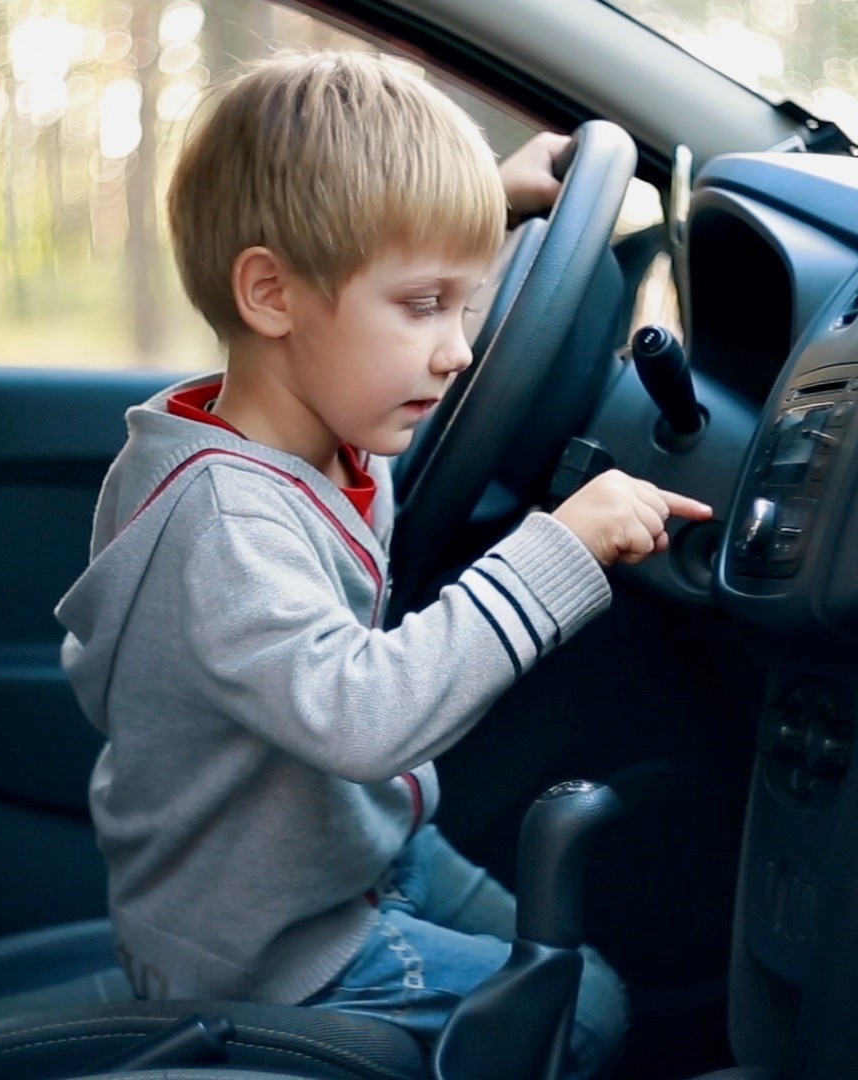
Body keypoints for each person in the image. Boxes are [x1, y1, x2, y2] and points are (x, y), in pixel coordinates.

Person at [55, 51, 710, 1078]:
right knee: (581, 1009)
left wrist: (480, 202)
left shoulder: (321, 412)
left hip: (351, 845)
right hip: (270, 944)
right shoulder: (225, 520)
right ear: (271, 294)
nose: (456, 352)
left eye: (469, 302)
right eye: (424, 307)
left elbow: (364, 279)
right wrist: (561, 547)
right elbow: (365, 715)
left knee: (549, 945)